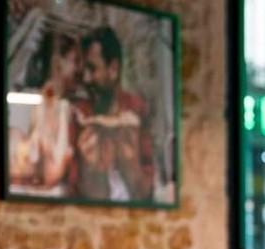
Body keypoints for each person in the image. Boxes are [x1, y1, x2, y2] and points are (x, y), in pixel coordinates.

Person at [70, 26, 155, 201]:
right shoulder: (78, 114)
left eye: (92, 69)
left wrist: (131, 167)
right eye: (83, 70)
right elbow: (74, 199)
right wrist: (92, 171)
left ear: (113, 69)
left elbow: (146, 194)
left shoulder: (137, 109)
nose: (85, 79)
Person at [8, 31, 80, 195]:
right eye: (74, 61)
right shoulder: (28, 100)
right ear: (57, 63)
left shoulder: (70, 108)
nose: (79, 69)